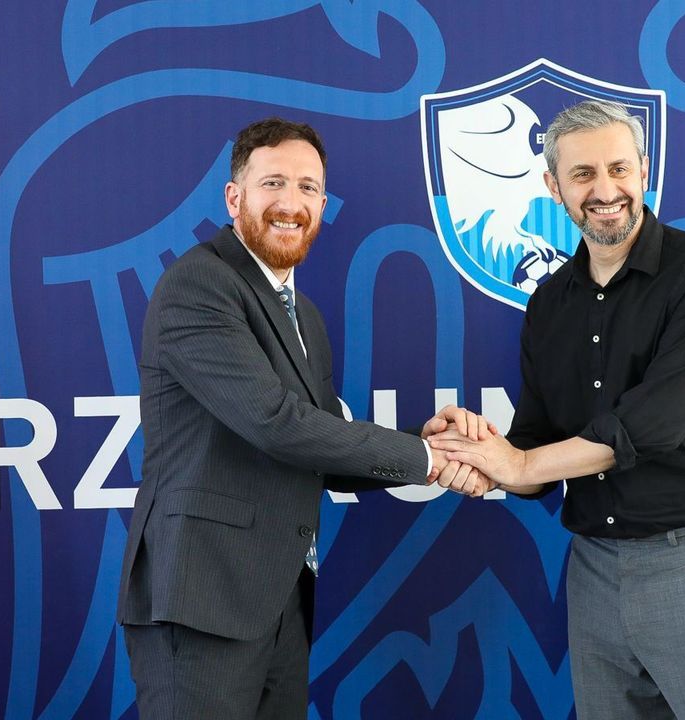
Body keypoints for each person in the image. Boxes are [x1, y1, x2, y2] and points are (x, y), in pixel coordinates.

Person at [117, 117, 490, 720]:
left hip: (278, 599)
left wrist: (419, 440)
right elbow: (276, 423)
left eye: (308, 188)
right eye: (273, 183)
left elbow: (321, 449)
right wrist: (430, 460)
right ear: (234, 197)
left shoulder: (304, 315)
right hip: (201, 598)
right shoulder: (200, 283)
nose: (291, 204)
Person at [429, 100, 685, 719]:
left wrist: (518, 464)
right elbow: (534, 446)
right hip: (595, 568)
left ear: (644, 171)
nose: (604, 190)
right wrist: (482, 454)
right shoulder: (549, 303)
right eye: (583, 174)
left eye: (618, 169)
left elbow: (653, 426)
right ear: (553, 187)